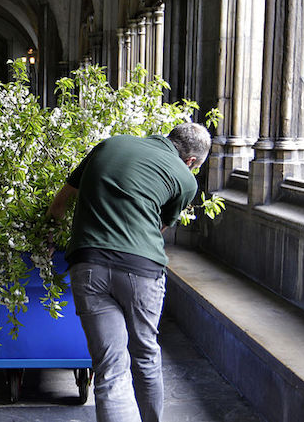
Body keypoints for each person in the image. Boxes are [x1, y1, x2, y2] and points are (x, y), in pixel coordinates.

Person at [47, 123, 211, 422]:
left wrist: (48, 233)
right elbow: (157, 228)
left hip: (89, 263)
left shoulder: (111, 144)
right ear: (191, 162)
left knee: (110, 368)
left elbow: (62, 200)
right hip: (141, 270)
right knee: (146, 356)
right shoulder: (186, 181)